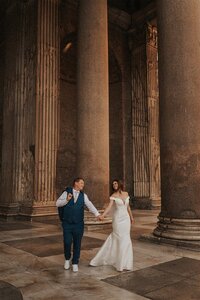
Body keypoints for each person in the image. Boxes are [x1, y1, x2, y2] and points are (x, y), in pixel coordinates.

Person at [56, 178, 101, 272]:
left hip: (79, 224)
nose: (83, 185)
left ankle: (75, 262)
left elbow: (90, 205)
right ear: (75, 183)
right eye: (81, 183)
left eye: (83, 183)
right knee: (67, 242)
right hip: (67, 223)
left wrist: (97, 214)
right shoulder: (66, 192)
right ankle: (67, 259)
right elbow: (57, 203)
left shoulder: (83, 195)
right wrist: (67, 200)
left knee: (77, 243)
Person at [89, 179, 134, 272]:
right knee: (119, 239)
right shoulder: (113, 196)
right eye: (113, 184)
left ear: (120, 184)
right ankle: (119, 263)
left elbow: (128, 207)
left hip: (126, 219)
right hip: (117, 220)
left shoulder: (126, 194)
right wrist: (102, 215)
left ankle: (125, 263)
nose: (114, 185)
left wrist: (131, 217)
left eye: (116, 183)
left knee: (126, 239)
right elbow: (109, 207)